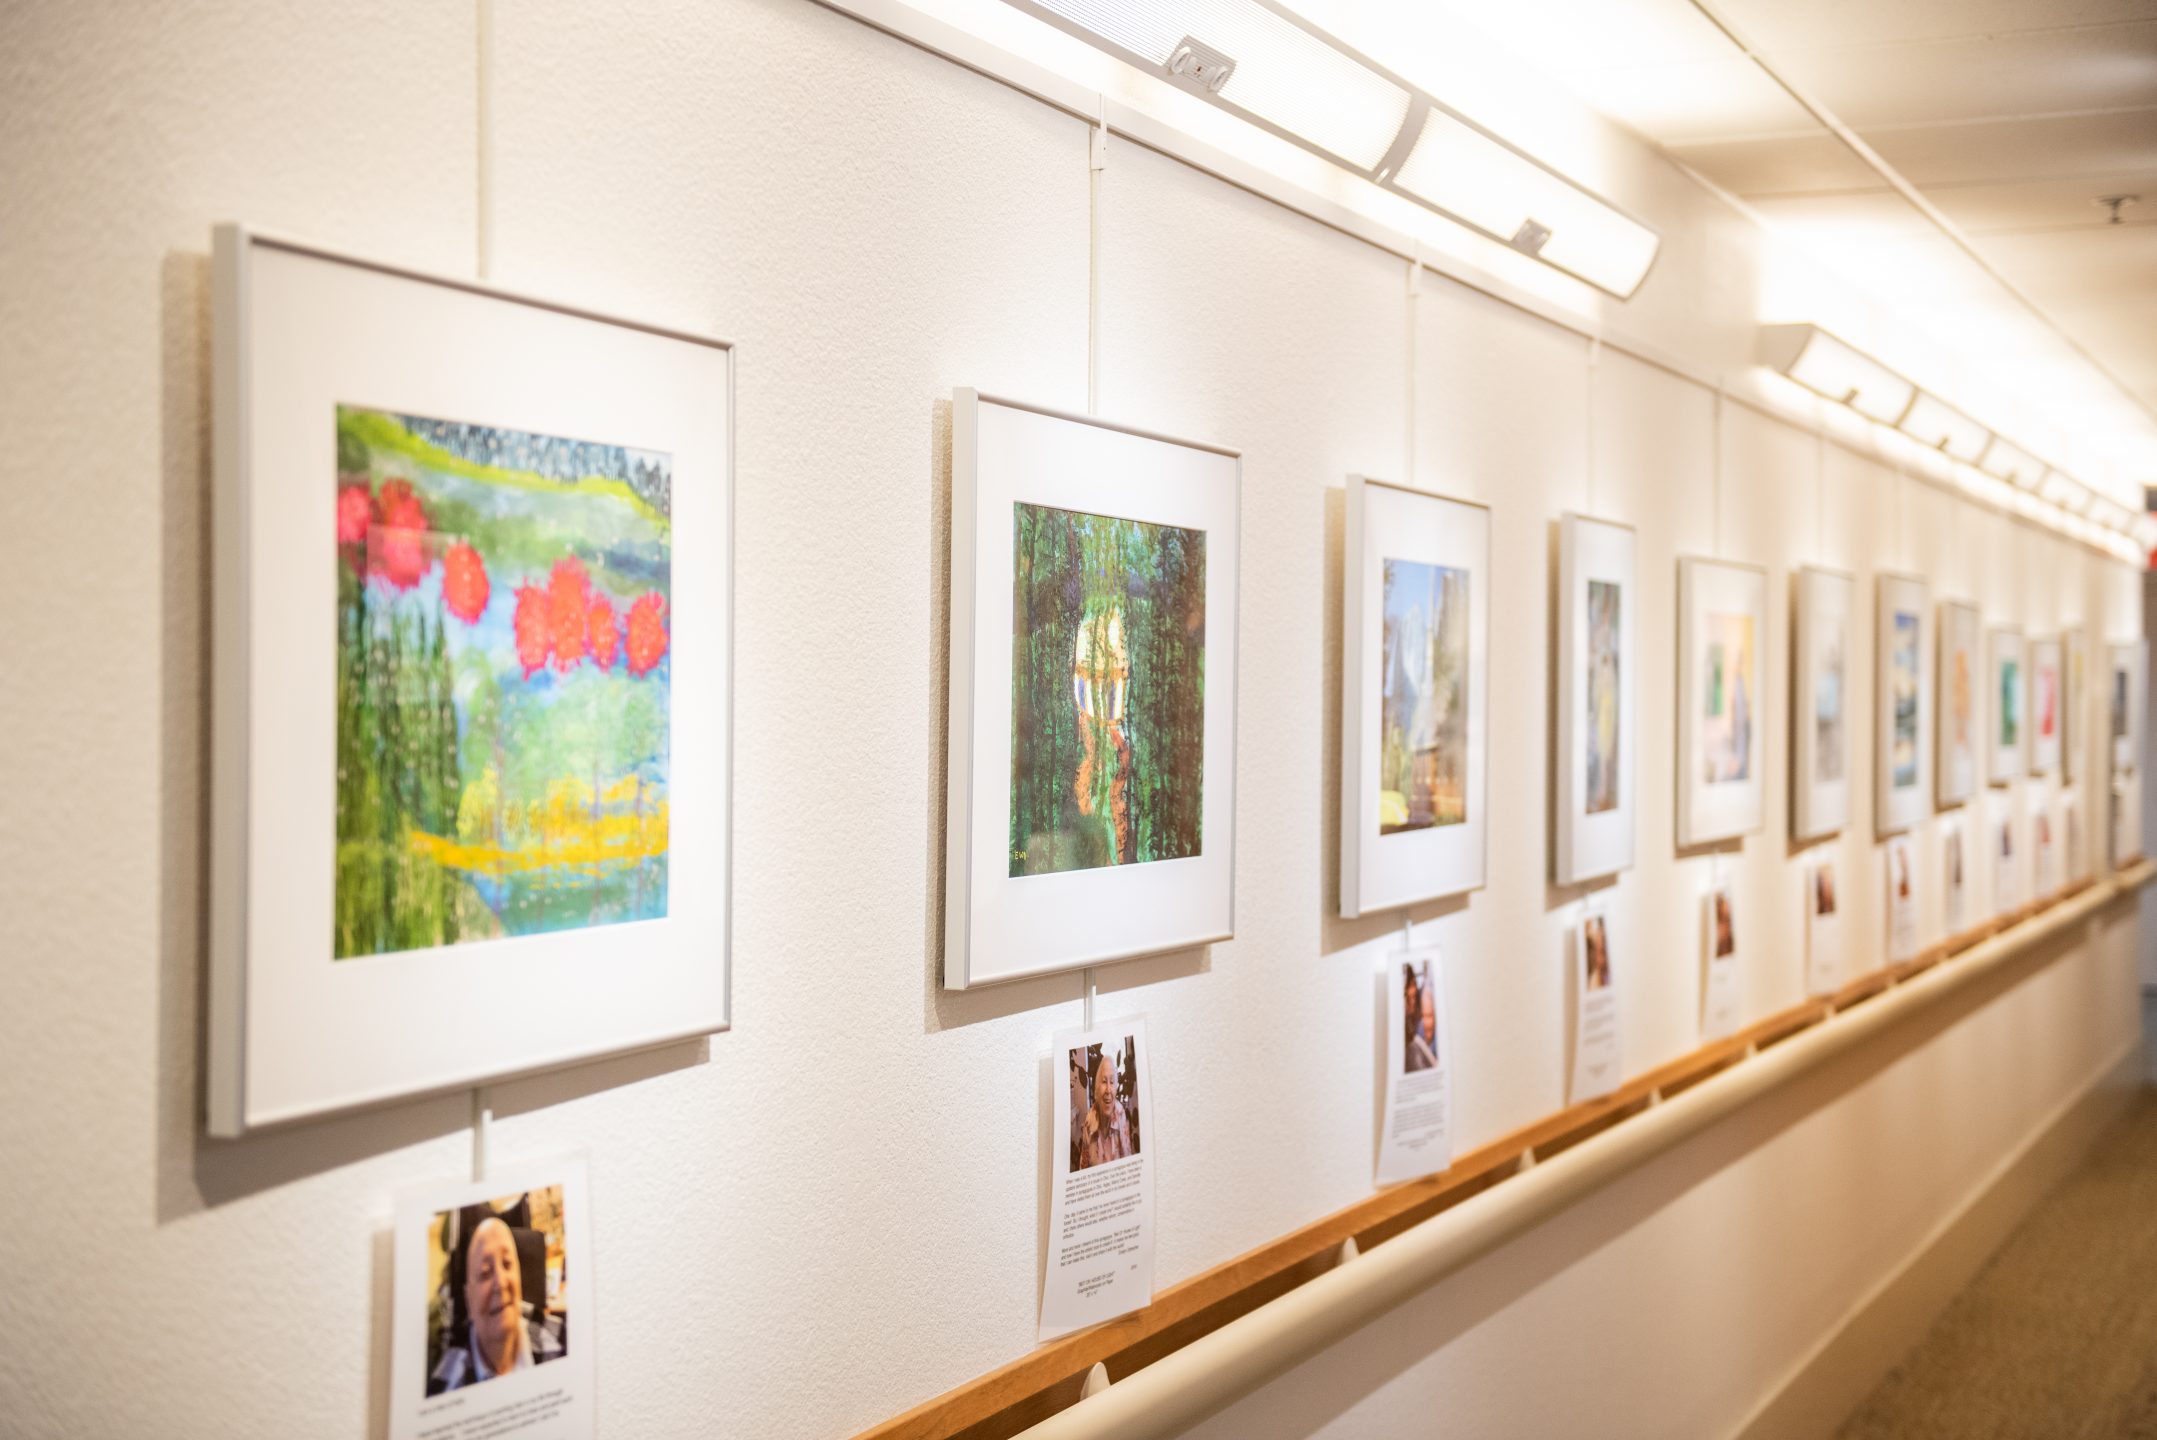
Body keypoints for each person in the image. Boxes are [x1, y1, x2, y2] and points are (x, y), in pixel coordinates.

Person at [428, 1215, 566, 1395]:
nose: (500, 1283)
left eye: (507, 1264)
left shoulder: (565, 1343)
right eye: (485, 1273)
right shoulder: (443, 1388)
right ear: (469, 1298)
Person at [1077, 1052, 1136, 1170]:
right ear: (1097, 1088)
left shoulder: (1121, 1115)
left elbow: (1128, 1167)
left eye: (1112, 1082)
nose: (1108, 1090)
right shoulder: (1090, 1118)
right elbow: (1083, 1168)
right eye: (1104, 1082)